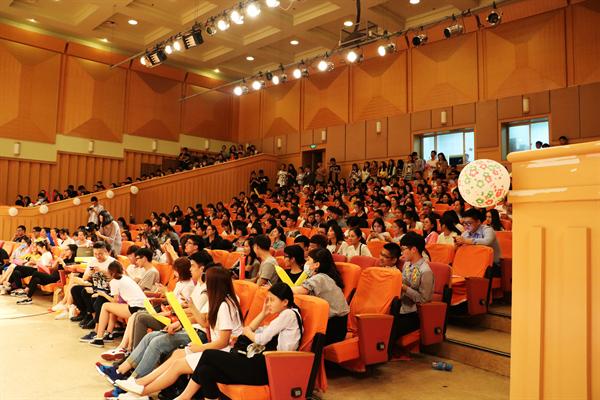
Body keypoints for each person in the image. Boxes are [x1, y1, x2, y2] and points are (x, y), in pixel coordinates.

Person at [114, 267, 243, 398]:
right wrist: (192, 307)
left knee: (177, 365)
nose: (205, 283)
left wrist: (199, 348)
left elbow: (223, 342)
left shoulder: (224, 305)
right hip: (217, 350)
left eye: (207, 280)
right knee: (177, 355)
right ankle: (139, 385)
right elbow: (205, 323)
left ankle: (140, 389)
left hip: (223, 353)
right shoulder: (221, 301)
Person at [176, 282, 303, 400]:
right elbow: (250, 331)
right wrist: (263, 313)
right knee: (205, 371)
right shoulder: (285, 316)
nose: (269, 303)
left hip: (269, 368)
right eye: (268, 300)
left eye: (272, 300)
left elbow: (260, 339)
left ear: (285, 302)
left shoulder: (288, 314)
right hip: (262, 364)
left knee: (209, 354)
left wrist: (247, 332)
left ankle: (184, 397)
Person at [389, 232, 434, 357]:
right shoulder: (407, 264)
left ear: (414, 249)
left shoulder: (425, 271)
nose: (401, 253)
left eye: (404, 249)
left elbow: (424, 300)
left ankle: (386, 354)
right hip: (401, 308)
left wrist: (404, 288)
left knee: (390, 326)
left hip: (414, 314)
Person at [292, 248, 349, 345]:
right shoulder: (324, 277)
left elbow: (301, 290)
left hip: (333, 328)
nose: (306, 262)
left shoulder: (321, 278)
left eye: (309, 260)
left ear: (317, 264)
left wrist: (277, 289)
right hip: (336, 324)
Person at [89, 261, 147, 347]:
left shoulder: (114, 282)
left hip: (135, 308)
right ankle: (109, 334)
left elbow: (115, 301)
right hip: (144, 306)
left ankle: (99, 338)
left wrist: (103, 294)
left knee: (105, 306)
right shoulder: (127, 278)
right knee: (113, 308)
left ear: (110, 273)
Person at [71, 241, 115, 332]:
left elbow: (116, 279)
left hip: (108, 288)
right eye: (95, 254)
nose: (98, 256)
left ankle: (94, 319)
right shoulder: (92, 261)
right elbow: (85, 278)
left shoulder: (112, 262)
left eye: (100, 254)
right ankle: (86, 314)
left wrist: (102, 271)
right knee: (75, 289)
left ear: (106, 252)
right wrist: (90, 274)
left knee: (86, 293)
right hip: (96, 285)